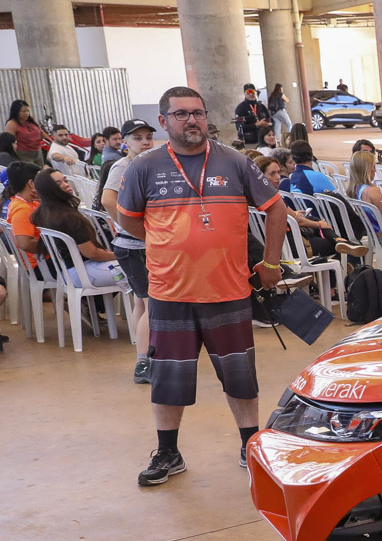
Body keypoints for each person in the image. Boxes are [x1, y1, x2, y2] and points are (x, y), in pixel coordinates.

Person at [115, 85, 289, 486]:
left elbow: (276, 207)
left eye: (198, 112)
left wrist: (272, 261)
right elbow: (127, 220)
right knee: (168, 379)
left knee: (240, 375)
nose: (191, 120)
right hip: (170, 292)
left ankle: (250, 445)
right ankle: (168, 452)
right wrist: (170, 241)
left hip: (228, 290)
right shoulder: (143, 167)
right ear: (163, 121)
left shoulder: (235, 162)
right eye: (181, 114)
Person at [104, 116, 158, 384]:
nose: (145, 142)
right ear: (124, 142)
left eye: (148, 137)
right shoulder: (123, 166)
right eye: (137, 138)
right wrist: (134, 229)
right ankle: (143, 363)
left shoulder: (149, 163)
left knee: (142, 301)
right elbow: (107, 200)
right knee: (152, 304)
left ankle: (146, 353)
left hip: (143, 244)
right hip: (134, 246)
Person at [31, 167, 120, 287]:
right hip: (83, 273)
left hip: (67, 272)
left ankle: (99, 306)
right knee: (140, 271)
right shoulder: (68, 217)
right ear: (48, 190)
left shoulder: (43, 213)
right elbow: (92, 253)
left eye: (65, 180)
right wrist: (119, 256)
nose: (66, 185)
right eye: (58, 184)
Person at [6, 161, 42, 257]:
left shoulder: (30, 202)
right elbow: (25, 244)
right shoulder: (22, 209)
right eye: (41, 180)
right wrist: (53, 247)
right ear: (31, 183)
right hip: (42, 264)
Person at [7, 100, 47, 164]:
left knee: (40, 172)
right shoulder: (12, 123)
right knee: (29, 172)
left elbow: (40, 131)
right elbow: (9, 140)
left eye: (28, 111)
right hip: (23, 154)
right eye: (23, 111)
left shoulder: (31, 120)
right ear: (16, 111)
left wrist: (51, 141)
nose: (26, 113)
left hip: (38, 152)